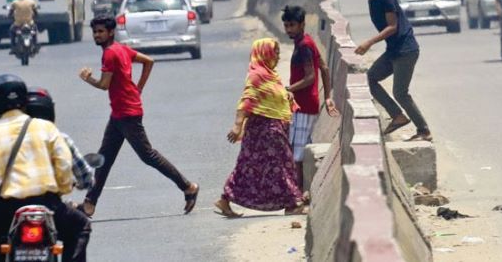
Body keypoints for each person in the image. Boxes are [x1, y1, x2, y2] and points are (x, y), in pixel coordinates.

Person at [77, 16, 199, 217]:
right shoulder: (122, 49)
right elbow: (148, 61)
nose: (97, 35)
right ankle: (90, 203)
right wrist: (139, 87)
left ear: (110, 32)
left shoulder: (109, 54)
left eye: (100, 31)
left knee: (148, 155)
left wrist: (87, 78)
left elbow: (104, 85)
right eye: (95, 31)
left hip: (127, 114)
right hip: (119, 113)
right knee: (104, 159)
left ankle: (188, 187)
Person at [0, 75, 73, 262]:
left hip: (6, 208)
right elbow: (63, 164)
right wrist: (63, 189)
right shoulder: (46, 128)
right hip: (47, 203)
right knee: (80, 226)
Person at [214, 38, 306, 218]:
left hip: (269, 130)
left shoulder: (271, 75)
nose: (278, 57)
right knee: (283, 164)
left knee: (248, 166)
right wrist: (237, 125)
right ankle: (292, 203)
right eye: (275, 52)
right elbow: (247, 101)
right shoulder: (257, 75)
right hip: (266, 131)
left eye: (278, 53)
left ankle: (225, 199)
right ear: (264, 53)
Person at [351, 0, 432, 142]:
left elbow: (393, 27)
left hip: (406, 50)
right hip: (393, 50)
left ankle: (424, 130)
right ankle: (398, 116)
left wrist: (369, 43)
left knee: (400, 92)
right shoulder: (372, 0)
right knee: (370, 79)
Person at [24, 88, 93, 262]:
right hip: (49, 204)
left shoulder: (5, 136)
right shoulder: (59, 137)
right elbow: (85, 177)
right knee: (81, 226)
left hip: (9, 206)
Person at [282, 6, 339, 189]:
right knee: (303, 148)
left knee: (296, 156)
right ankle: (307, 190)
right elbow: (324, 67)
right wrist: (328, 96)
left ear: (302, 24)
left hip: (305, 105)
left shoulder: (305, 46)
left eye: (292, 25)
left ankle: (299, 196)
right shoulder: (306, 42)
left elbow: (310, 78)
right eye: (286, 25)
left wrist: (289, 89)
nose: (289, 29)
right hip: (305, 104)